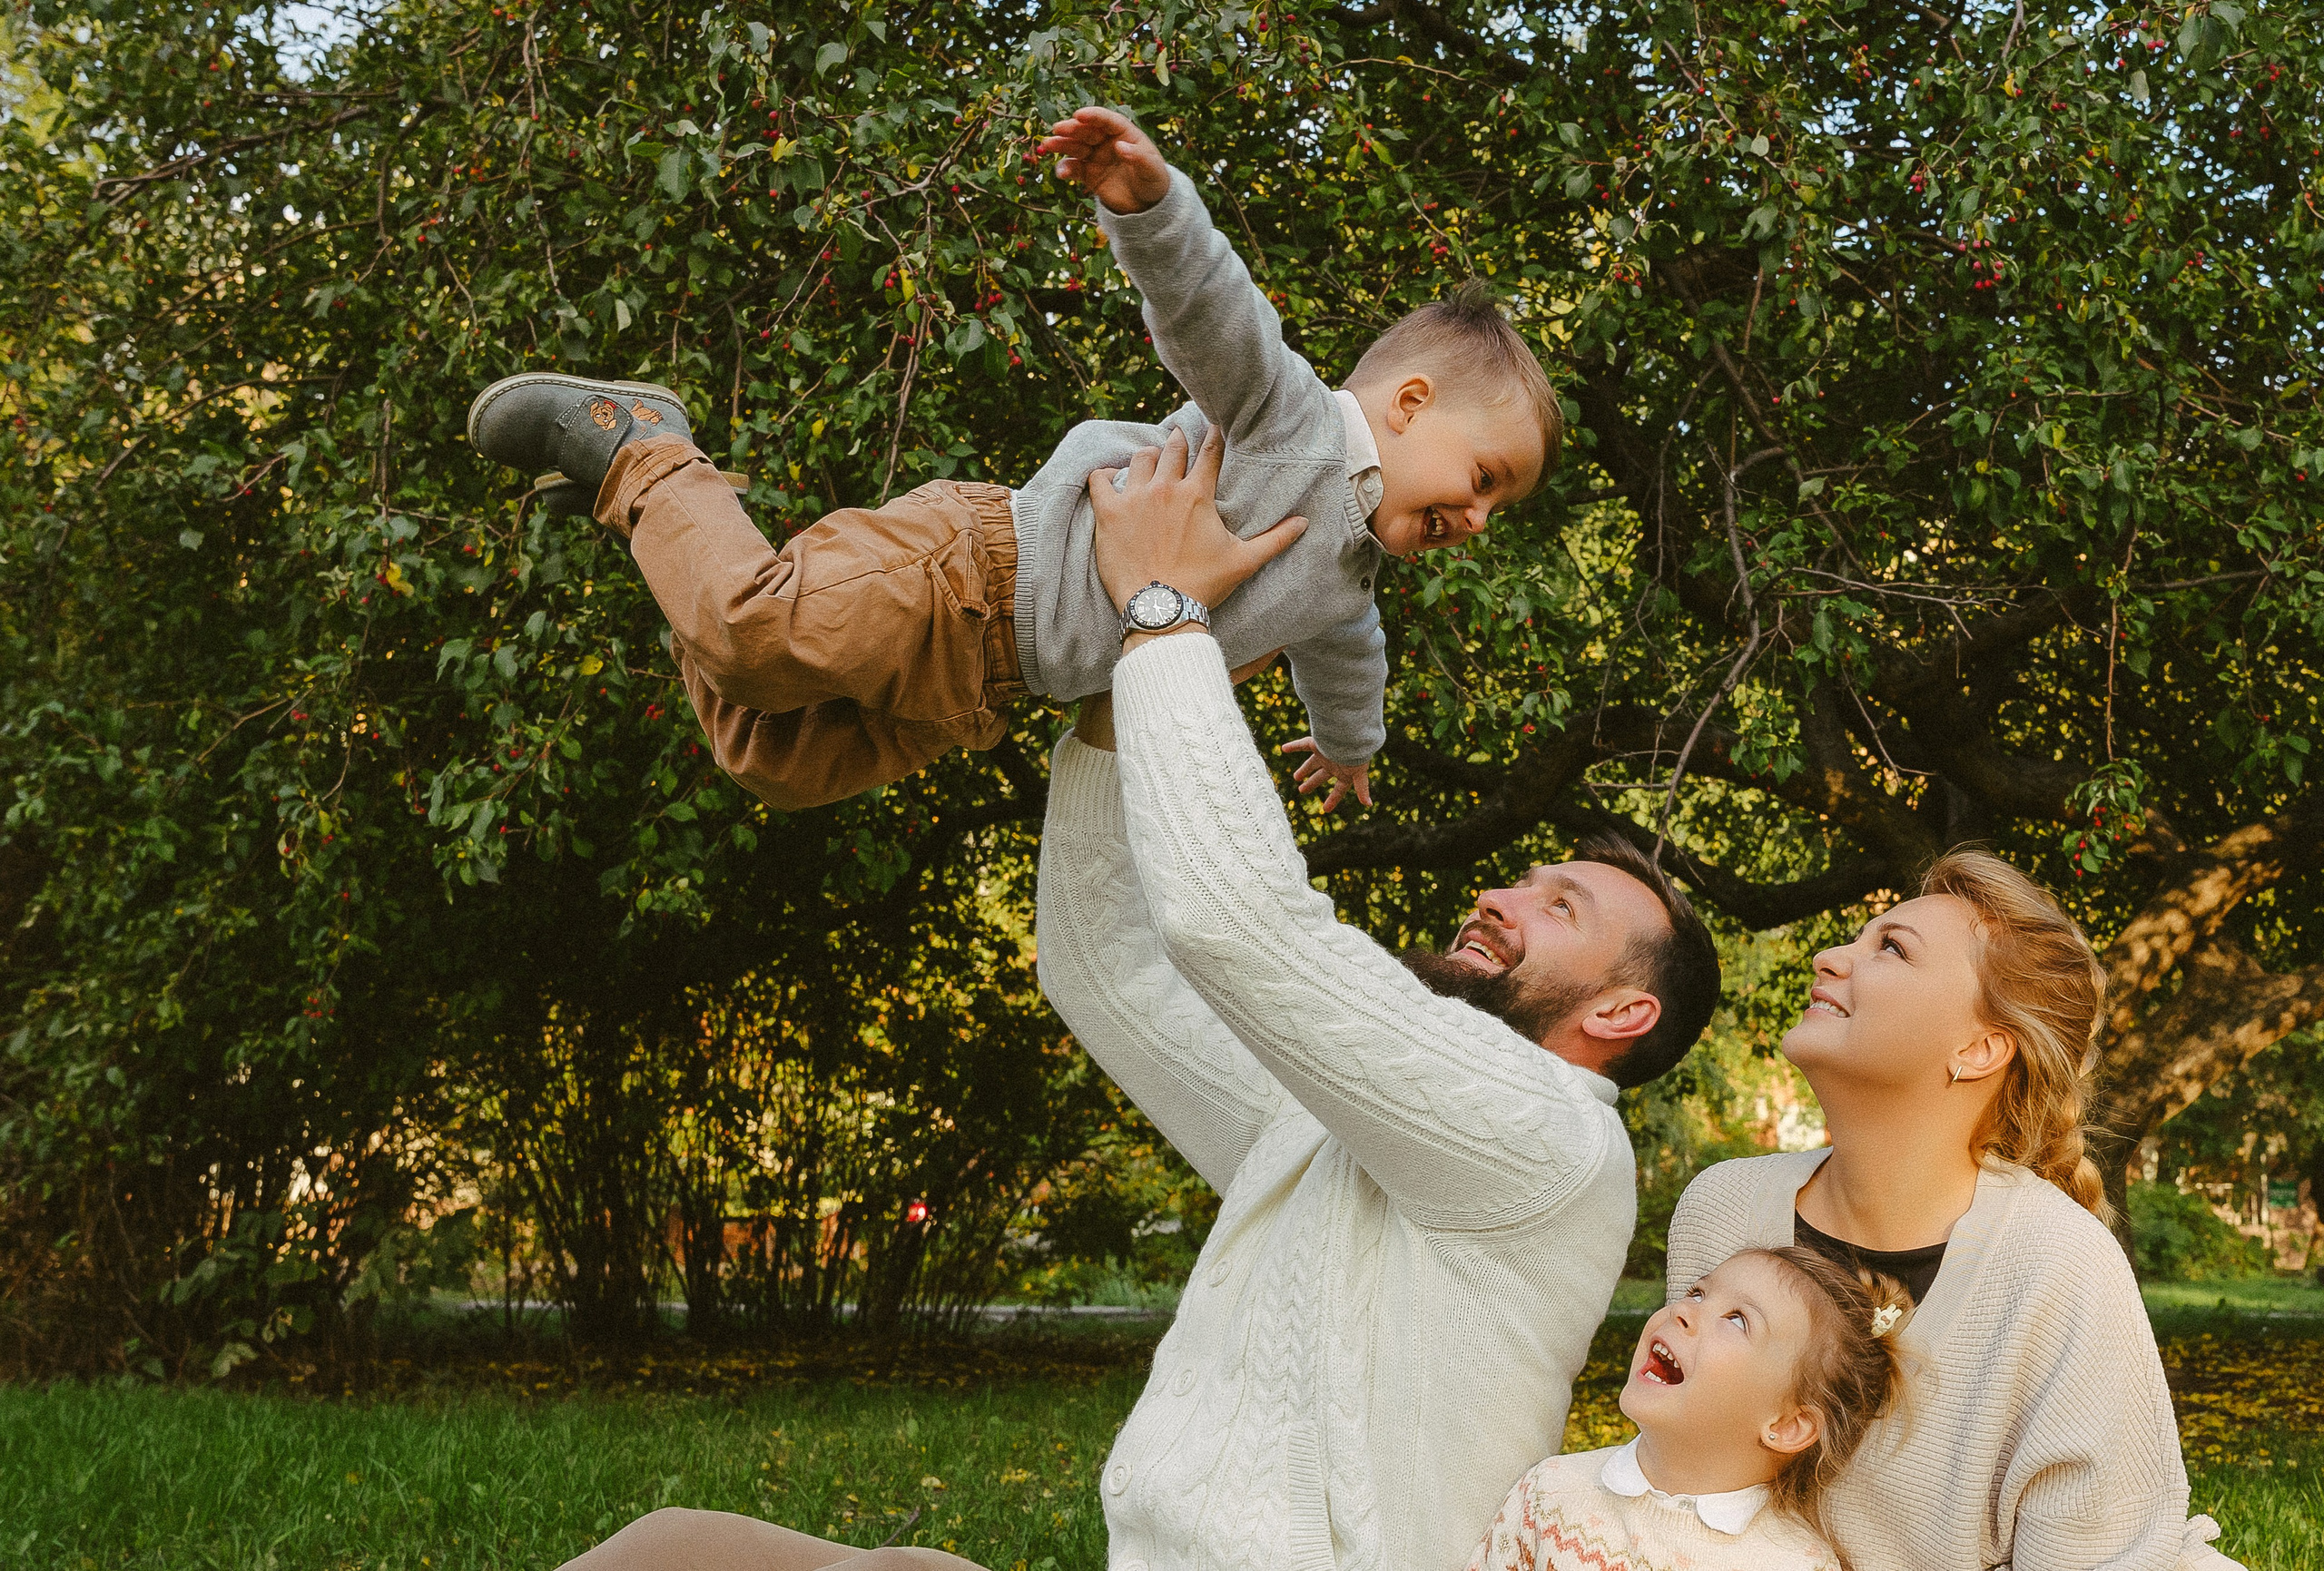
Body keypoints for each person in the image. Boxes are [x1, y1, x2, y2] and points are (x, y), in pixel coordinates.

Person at [555, 422, 1719, 1571]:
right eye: (1526, 874)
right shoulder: (1341, 1134)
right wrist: (1119, 691)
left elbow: (1240, 926)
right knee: (677, 1550)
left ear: (1620, 1016)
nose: (1504, 895)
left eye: (1561, 907)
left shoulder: (1550, 1143)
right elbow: (1104, 966)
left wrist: (1167, 613)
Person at [462, 105, 1561, 811]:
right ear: (1410, 406)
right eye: (1484, 480)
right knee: (753, 638)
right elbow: (1217, 319)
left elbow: (1348, 662)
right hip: (973, 572)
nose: (1479, 518)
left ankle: (657, 523)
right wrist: (1154, 211)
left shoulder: (1350, 585)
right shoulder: (1297, 424)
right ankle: (640, 449)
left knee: (774, 760)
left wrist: (1351, 748)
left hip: (992, 683)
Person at [1665, 850, 2242, 1570]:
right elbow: (1676, 1492)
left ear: (1979, 1048)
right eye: (1859, 935)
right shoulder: (1721, 1212)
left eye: (1892, 948)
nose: (1828, 957)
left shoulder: (2061, 1268)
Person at [1468, 1247, 1910, 1571]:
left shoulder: (1798, 1563)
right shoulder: (1549, 1494)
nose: (1681, 1309)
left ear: (1789, 1425)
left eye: (1738, 1318)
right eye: (1698, 1293)